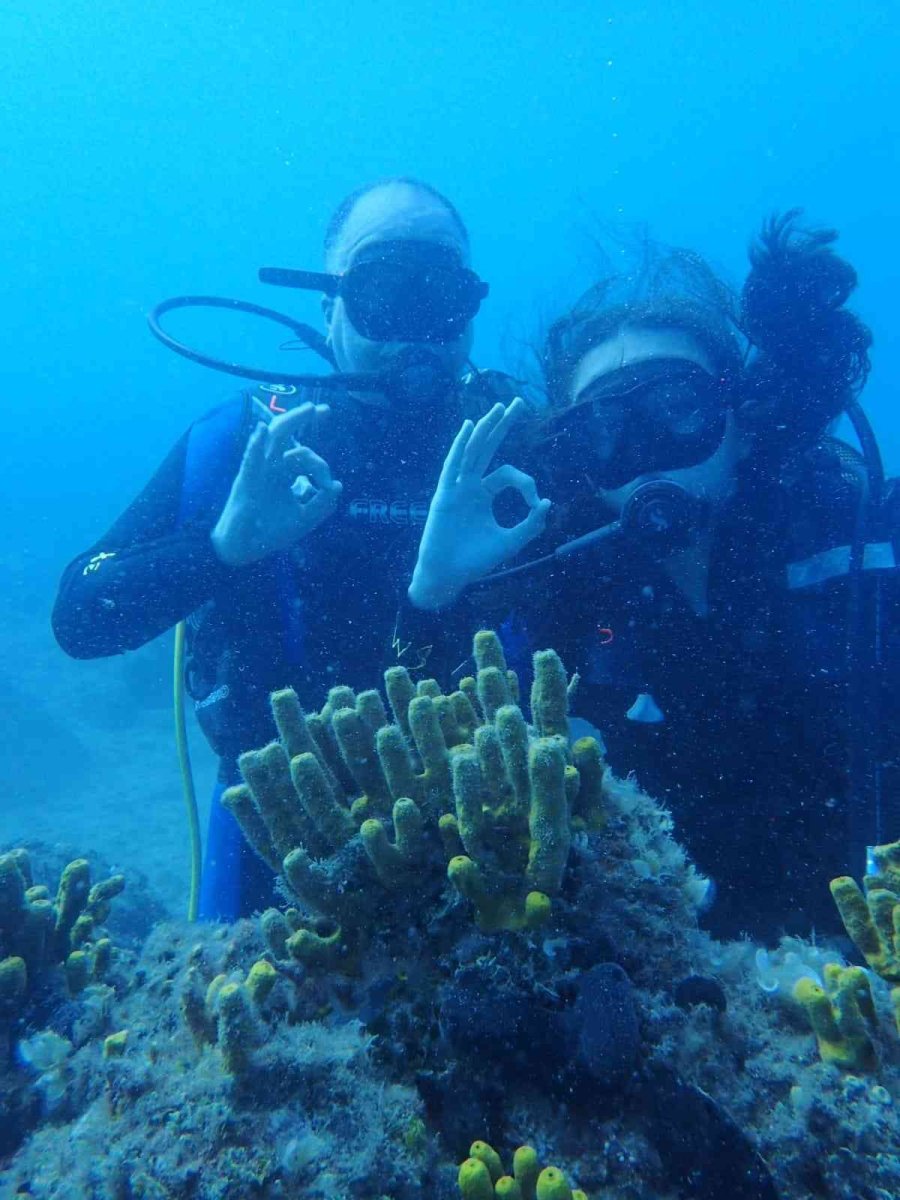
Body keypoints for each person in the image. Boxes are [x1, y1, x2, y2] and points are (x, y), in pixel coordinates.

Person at [52, 177, 540, 920]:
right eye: (384, 292)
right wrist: (219, 548)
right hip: (266, 825)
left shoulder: (518, 445)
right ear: (329, 306)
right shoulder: (248, 445)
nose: (416, 330)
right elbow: (81, 616)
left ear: (470, 311)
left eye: (438, 294)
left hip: (481, 812)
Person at [409, 211, 899, 940]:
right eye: (605, 432)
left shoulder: (858, 535)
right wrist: (433, 595)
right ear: (577, 465)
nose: (647, 452)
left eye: (677, 408)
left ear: (741, 418)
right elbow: (443, 757)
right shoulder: (563, 597)